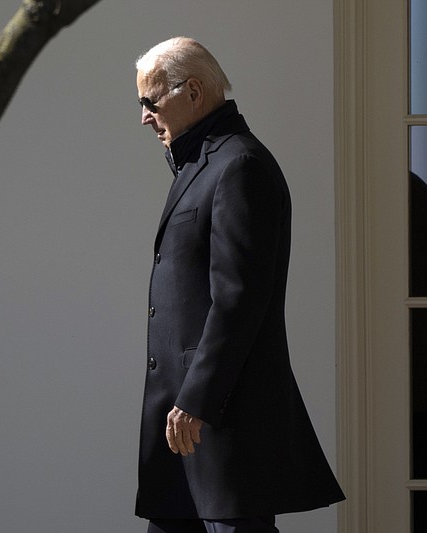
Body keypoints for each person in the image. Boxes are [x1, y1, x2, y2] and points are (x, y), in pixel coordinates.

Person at [134, 37, 345, 533]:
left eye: (150, 100)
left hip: (219, 424)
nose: (144, 116)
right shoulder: (201, 165)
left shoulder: (239, 167)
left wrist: (196, 401)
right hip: (181, 426)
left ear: (194, 92)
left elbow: (239, 299)